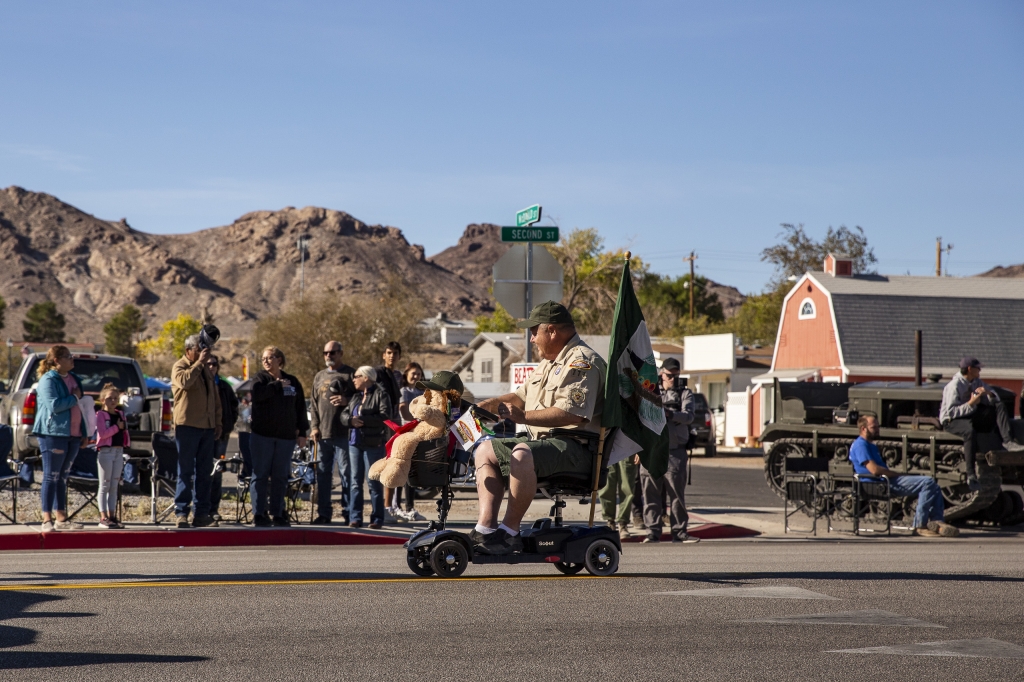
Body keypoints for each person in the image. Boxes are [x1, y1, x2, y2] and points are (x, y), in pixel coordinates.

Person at [473, 301, 606, 555]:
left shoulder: (583, 362)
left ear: (552, 331)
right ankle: (486, 530)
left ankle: (509, 532)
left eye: (535, 332)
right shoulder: (549, 362)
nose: (532, 339)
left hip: (577, 449)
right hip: (545, 445)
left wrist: (523, 417)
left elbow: (574, 414)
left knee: (521, 453)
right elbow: (521, 396)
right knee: (485, 450)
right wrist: (488, 405)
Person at [849, 414, 958, 537]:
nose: (878, 430)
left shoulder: (869, 444)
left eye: (878, 427)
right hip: (879, 484)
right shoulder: (861, 445)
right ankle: (919, 525)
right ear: (863, 428)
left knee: (934, 486)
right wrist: (895, 474)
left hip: (884, 482)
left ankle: (937, 522)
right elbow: (874, 470)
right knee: (927, 482)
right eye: (874, 427)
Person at [940, 357, 1024, 490]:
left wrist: (988, 393)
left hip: (970, 413)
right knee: (969, 431)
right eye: (977, 368)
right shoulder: (954, 386)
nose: (980, 370)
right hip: (952, 420)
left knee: (998, 406)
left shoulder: (976, 381)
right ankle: (971, 474)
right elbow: (950, 412)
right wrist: (971, 404)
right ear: (970, 369)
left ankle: (1007, 441)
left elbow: (994, 395)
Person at [639, 358, 698, 543]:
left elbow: (689, 416)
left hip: (675, 451)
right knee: (650, 493)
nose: (672, 378)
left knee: (676, 495)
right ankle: (652, 531)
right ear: (661, 373)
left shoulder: (685, 393)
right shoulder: (650, 390)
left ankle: (679, 531)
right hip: (652, 451)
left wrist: (670, 414)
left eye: (676, 375)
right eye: (669, 375)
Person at [250, 346, 309, 527]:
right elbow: (257, 395)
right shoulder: (260, 379)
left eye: (270, 357)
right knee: (260, 475)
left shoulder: (292, 381)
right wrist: (276, 385)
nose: (266, 361)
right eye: (263, 358)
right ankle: (259, 514)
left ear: (279, 360)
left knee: (280, 476)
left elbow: (300, 408)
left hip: (285, 437)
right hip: (263, 436)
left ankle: (278, 513)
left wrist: (302, 431)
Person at [171, 334, 223, 529]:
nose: (203, 353)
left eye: (204, 349)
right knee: (185, 471)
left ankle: (201, 514)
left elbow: (214, 399)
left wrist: (217, 422)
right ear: (188, 351)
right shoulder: (180, 366)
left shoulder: (206, 372)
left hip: (207, 428)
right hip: (187, 426)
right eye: (198, 349)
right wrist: (199, 363)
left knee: (204, 473)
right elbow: (184, 382)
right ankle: (182, 513)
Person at [32, 345, 86, 532]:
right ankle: (46, 519)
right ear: (57, 360)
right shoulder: (48, 380)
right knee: (51, 476)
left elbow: (83, 407)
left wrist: (85, 433)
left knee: (63, 477)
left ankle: (61, 518)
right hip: (53, 433)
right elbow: (54, 406)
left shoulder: (73, 379)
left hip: (73, 435)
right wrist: (75, 398)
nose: (72, 359)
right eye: (68, 356)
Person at [309, 340, 355, 525]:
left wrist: (347, 401)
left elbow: (360, 398)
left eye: (333, 352)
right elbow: (313, 404)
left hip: (344, 433)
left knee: (346, 474)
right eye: (326, 352)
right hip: (323, 434)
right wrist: (314, 426)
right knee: (323, 475)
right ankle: (324, 513)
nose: (329, 355)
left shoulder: (350, 374)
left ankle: (349, 513)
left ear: (340, 353)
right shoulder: (319, 376)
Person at [341, 366, 392, 529]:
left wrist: (361, 420)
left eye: (356, 376)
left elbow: (385, 416)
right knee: (355, 481)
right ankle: (355, 517)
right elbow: (344, 414)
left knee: (374, 482)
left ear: (366, 377)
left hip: (373, 444)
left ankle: (377, 518)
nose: (353, 379)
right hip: (354, 444)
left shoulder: (381, 394)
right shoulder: (356, 397)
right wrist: (350, 421)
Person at [389, 362, 427, 523]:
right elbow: (404, 411)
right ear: (406, 375)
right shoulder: (404, 391)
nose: (416, 376)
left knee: (412, 472)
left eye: (418, 374)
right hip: (404, 434)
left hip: (418, 436)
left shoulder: (422, 392)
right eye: (413, 373)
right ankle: (396, 506)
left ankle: (410, 507)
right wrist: (420, 419)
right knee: (400, 471)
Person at [206, 355, 239, 520]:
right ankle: (201, 508)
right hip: (203, 434)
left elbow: (234, 406)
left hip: (221, 436)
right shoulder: (201, 385)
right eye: (208, 364)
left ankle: (213, 509)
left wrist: (228, 425)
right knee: (203, 471)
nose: (211, 367)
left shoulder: (225, 387)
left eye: (214, 364)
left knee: (217, 471)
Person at [94, 383, 128, 529]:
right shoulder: (100, 415)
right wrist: (116, 427)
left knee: (114, 486)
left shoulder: (121, 414)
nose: (113, 401)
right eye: (109, 398)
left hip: (118, 451)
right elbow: (102, 434)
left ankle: (112, 516)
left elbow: (124, 431)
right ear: (102, 400)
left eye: (115, 398)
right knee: (104, 485)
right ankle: (103, 517)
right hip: (106, 452)